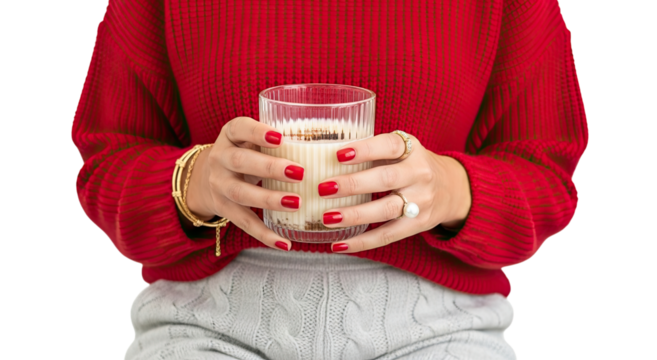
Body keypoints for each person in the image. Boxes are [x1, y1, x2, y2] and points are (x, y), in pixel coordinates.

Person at [72, 0, 588, 359]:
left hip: (439, 330)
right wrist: (197, 182)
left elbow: (547, 180)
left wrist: (449, 188)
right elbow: (106, 167)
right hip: (206, 325)